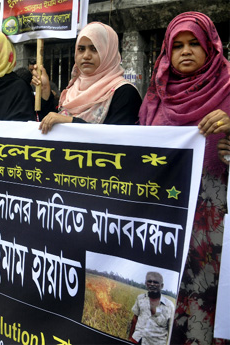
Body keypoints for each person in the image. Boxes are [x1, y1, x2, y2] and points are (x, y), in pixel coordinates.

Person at [138, 12, 230, 345]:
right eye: (177, 46)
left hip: (211, 221)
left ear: (211, 47)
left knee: (205, 298)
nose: (185, 51)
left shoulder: (229, 87)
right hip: (165, 214)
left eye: (194, 43)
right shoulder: (157, 95)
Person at [33, 22, 141, 134]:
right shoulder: (73, 89)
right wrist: (45, 90)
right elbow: (49, 129)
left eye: (94, 49)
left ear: (109, 52)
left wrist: (71, 122)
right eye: (81, 49)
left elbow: (118, 140)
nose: (86, 56)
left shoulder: (124, 92)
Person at [128, 272, 174, 345]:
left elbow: (171, 330)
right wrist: (130, 338)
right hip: (137, 340)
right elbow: (135, 319)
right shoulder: (140, 298)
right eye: (149, 281)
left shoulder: (169, 305)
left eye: (155, 282)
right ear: (146, 283)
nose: (152, 284)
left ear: (161, 286)